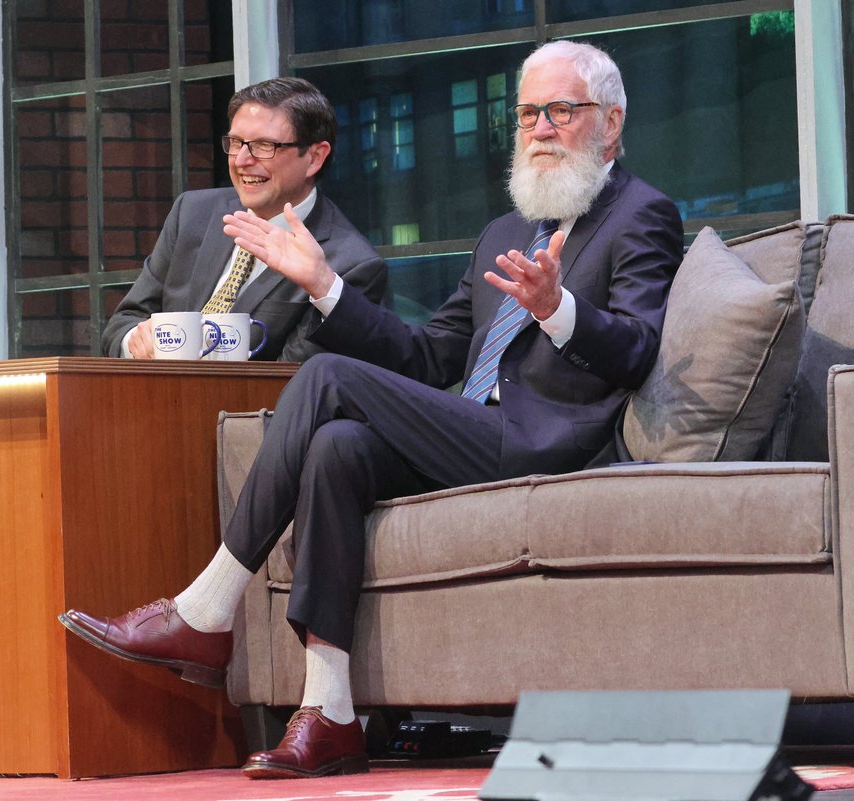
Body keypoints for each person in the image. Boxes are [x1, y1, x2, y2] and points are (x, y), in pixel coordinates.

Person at [61, 40, 683, 779]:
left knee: (326, 375)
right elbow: (425, 359)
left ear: (610, 125)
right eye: (526, 114)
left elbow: (640, 350)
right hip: (478, 431)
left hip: (550, 445)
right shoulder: (504, 232)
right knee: (338, 448)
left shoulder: (642, 214)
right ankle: (329, 713)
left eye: (560, 111)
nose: (540, 127)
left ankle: (207, 607)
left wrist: (560, 310)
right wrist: (325, 287)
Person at [102, 77, 387, 362]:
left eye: (264, 146)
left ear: (314, 157)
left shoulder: (350, 266)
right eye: (236, 142)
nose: (241, 161)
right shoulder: (192, 212)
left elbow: (298, 383)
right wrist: (136, 341)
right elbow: (123, 322)